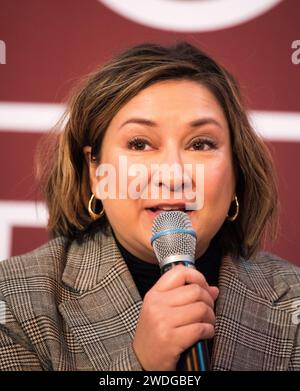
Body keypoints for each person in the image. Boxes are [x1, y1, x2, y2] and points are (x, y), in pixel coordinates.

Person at [0, 42, 299, 371]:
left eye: (201, 144)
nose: (173, 174)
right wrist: (142, 365)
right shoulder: (15, 301)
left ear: (236, 172)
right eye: (139, 144)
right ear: (95, 173)